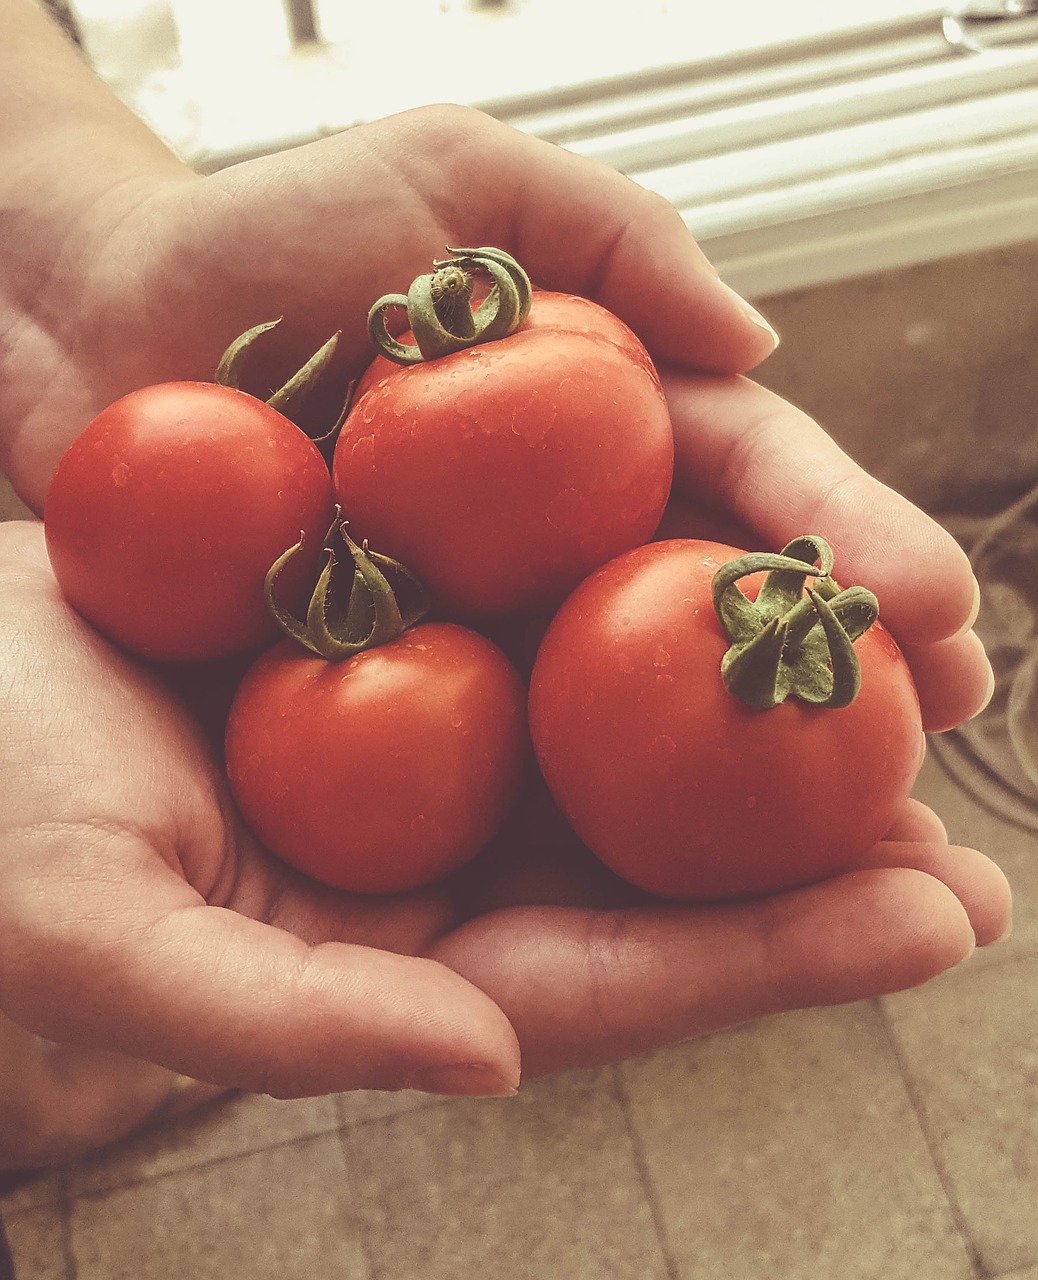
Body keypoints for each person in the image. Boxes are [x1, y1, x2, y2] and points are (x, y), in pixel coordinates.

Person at [0, 0, 1009, 1178]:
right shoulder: (563, 380)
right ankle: (57, 1077)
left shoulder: (497, 456)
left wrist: (56, 245)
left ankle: (52, 1079)